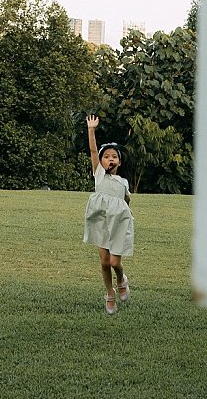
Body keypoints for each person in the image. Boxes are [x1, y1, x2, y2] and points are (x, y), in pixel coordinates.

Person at [82, 114, 134, 315]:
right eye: (106, 156)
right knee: (104, 262)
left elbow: (127, 200)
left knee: (114, 262)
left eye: (114, 157)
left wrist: (128, 211)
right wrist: (91, 130)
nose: (110, 159)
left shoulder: (123, 183)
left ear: (119, 162)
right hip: (101, 221)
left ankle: (122, 279)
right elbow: (93, 149)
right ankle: (109, 293)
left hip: (118, 222)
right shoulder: (99, 174)